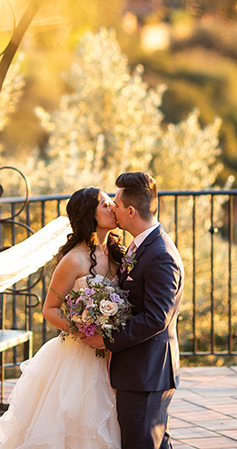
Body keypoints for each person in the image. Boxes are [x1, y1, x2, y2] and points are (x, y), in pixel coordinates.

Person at [0, 186, 126, 449]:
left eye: (112, 203)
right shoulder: (73, 259)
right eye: (105, 204)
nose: (113, 208)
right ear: (90, 215)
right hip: (79, 356)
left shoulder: (118, 253)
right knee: (77, 427)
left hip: (113, 353)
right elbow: (50, 309)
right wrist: (85, 333)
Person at [84, 171, 184, 449]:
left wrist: (106, 340)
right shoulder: (142, 245)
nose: (112, 208)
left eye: (115, 204)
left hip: (147, 372)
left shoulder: (160, 255)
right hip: (140, 370)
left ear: (130, 211)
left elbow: (156, 318)